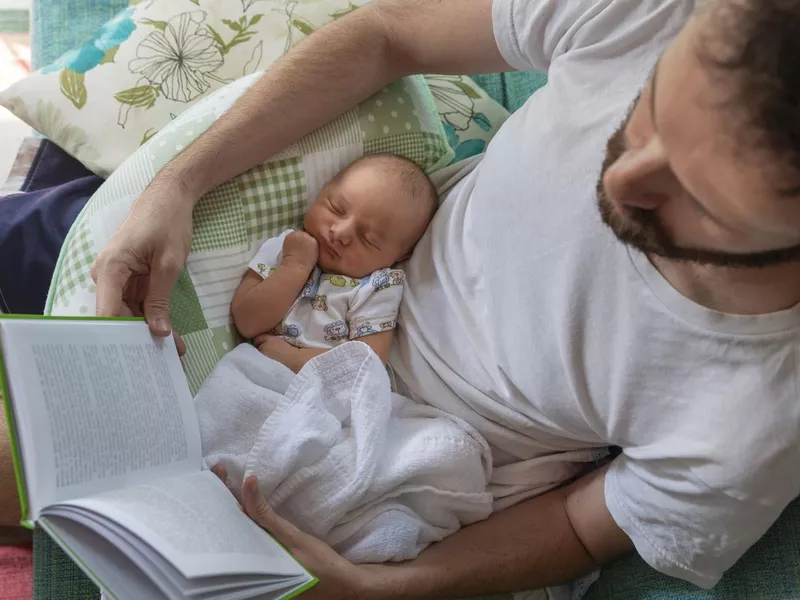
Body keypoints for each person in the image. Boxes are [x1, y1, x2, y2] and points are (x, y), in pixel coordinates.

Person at [3, 0, 800, 597]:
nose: (620, 176)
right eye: (647, 107)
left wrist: (375, 587)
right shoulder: (657, 13)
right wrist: (176, 185)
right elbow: (388, 35)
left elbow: (580, 525)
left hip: (407, 456)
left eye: (695, 195)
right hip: (332, 290)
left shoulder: (759, 414)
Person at [232, 154, 436, 372]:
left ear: (401, 256)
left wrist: (294, 357)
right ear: (323, 191)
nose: (340, 233)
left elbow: (367, 365)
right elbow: (246, 322)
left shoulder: (376, 287)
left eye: (368, 239)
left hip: (325, 393)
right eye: (336, 208)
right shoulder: (287, 247)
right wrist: (295, 267)